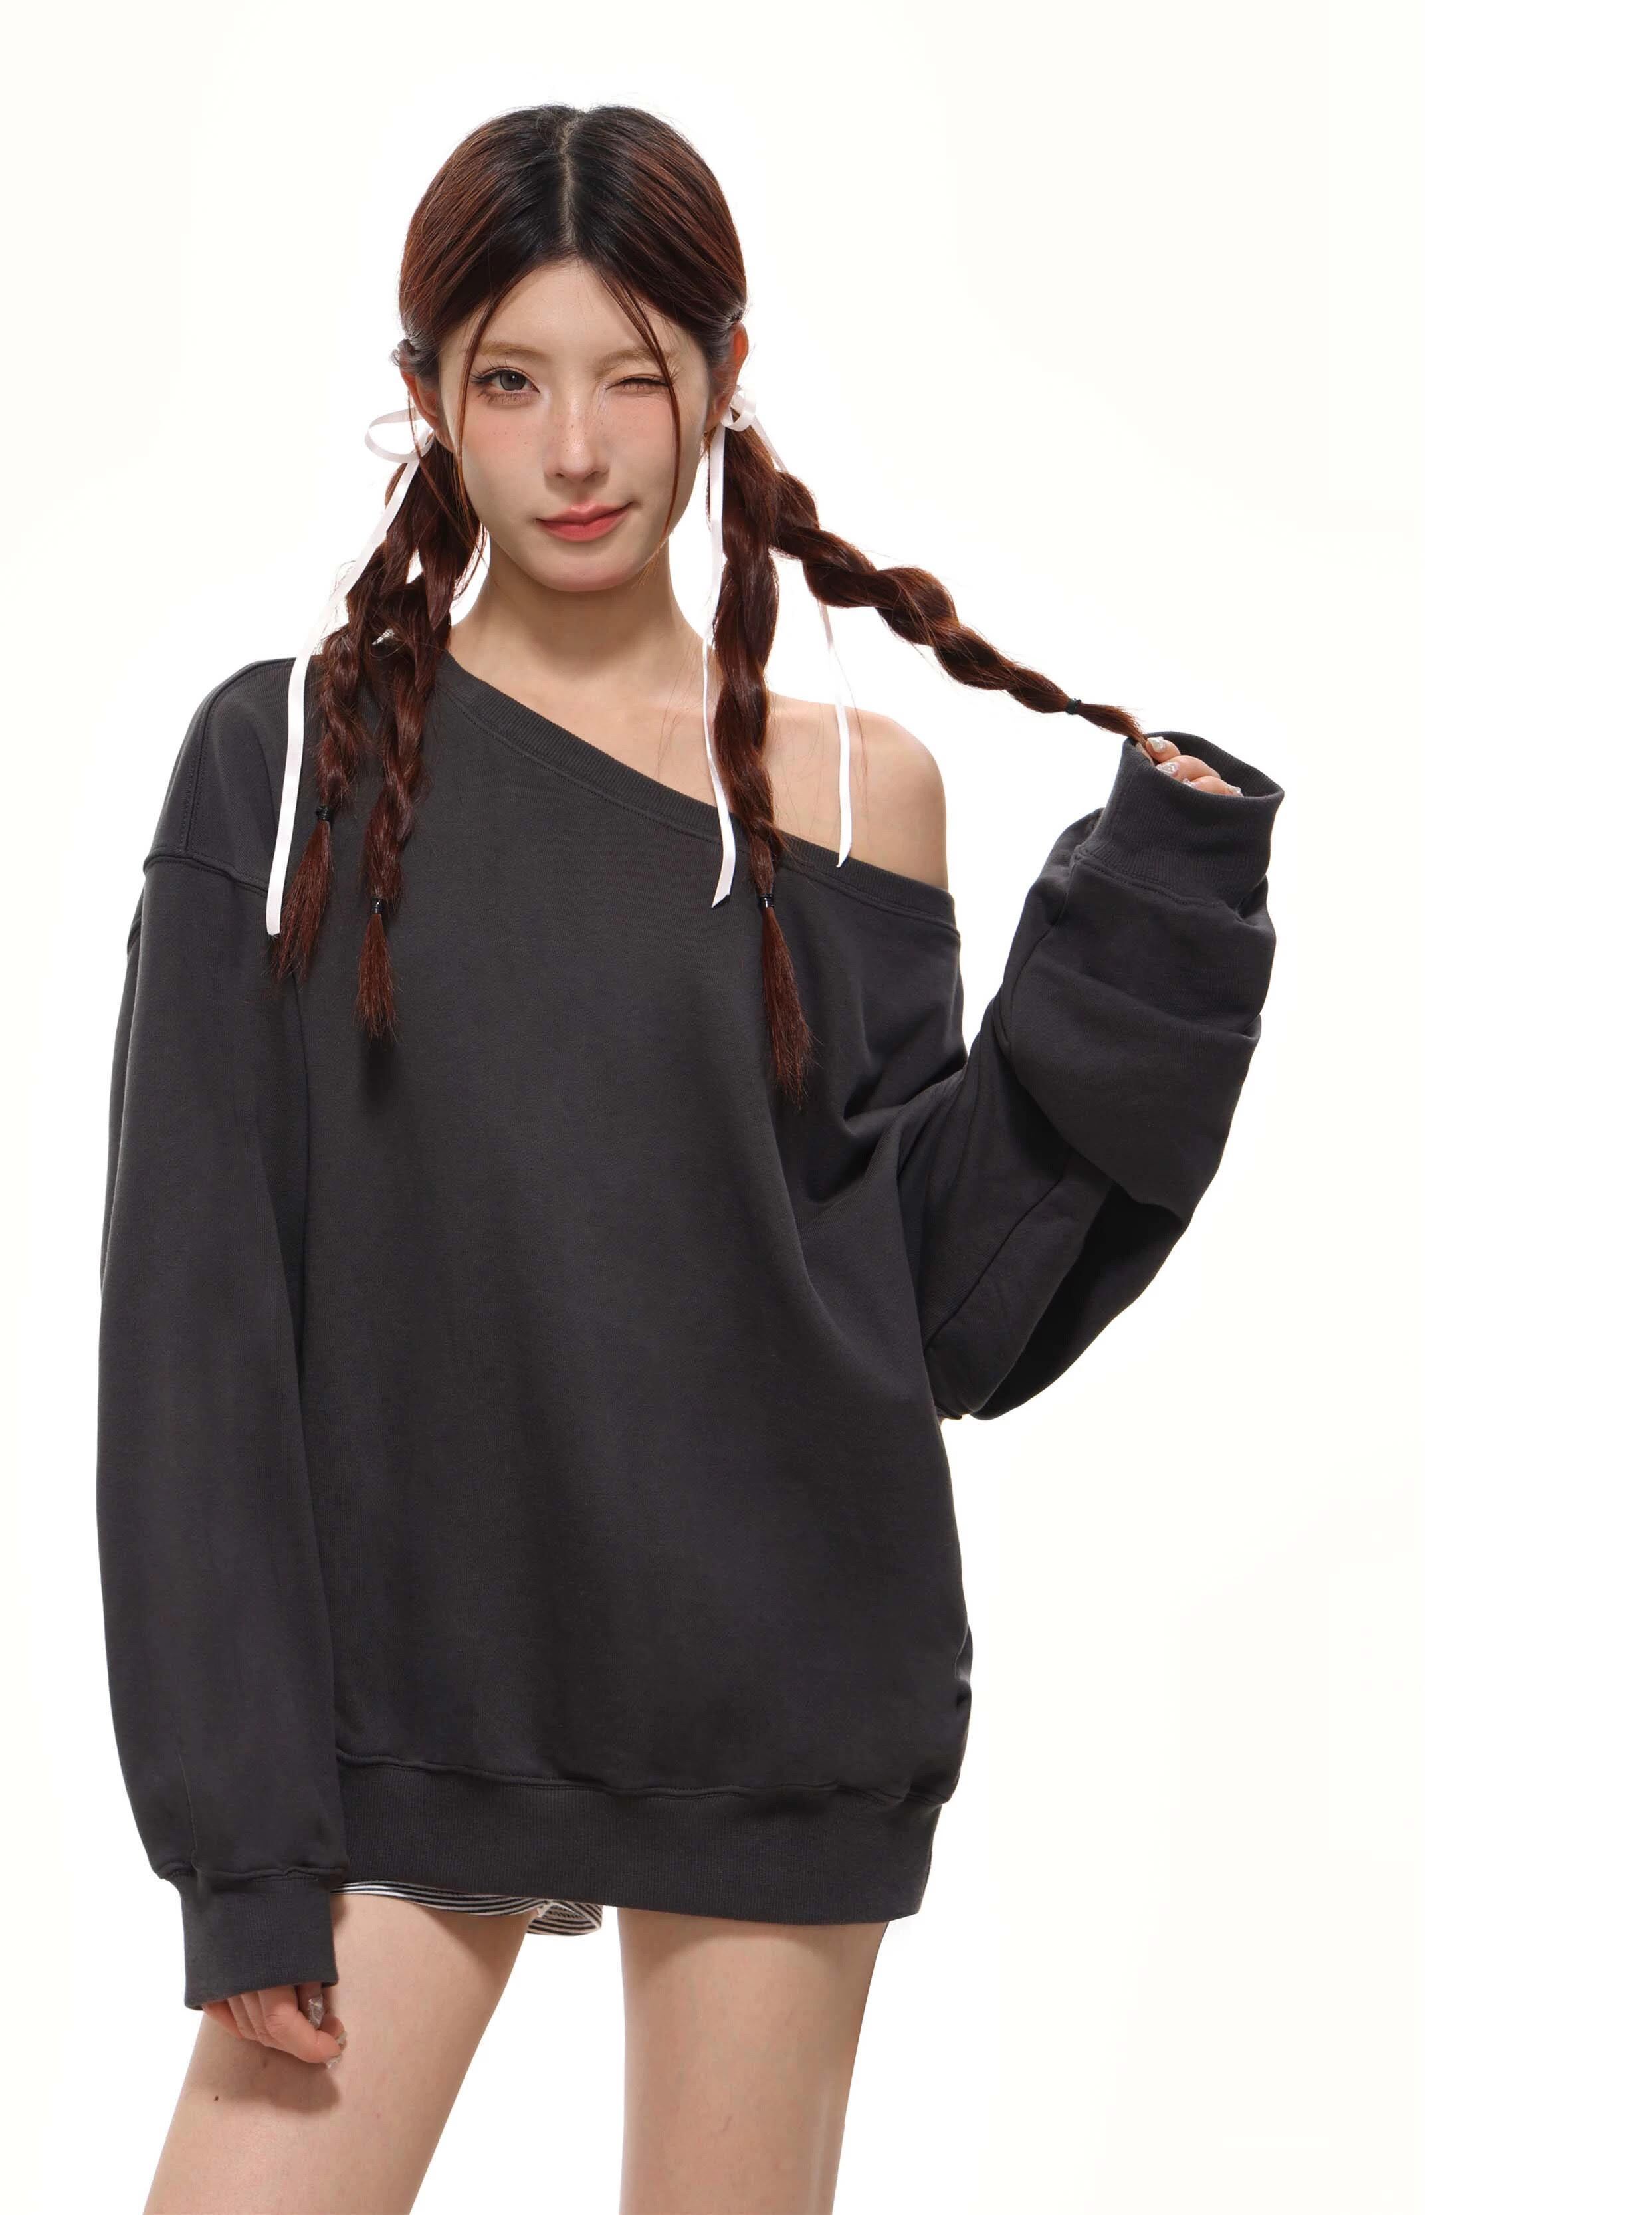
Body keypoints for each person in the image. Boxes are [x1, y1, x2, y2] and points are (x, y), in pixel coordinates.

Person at [96, 101, 1283, 2214]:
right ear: (429, 399)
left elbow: (939, 1311)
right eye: (512, 382)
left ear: (724, 379)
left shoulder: (853, 793)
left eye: (633, 378)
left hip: (776, 1688)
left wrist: (1159, 920)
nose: (576, 451)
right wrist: (245, 1847)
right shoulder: (288, 763)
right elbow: (193, 1329)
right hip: (409, 1699)